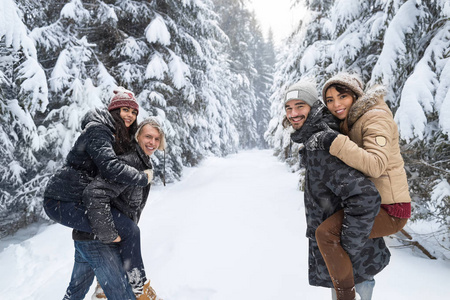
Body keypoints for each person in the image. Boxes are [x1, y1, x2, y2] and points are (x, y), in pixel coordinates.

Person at [306, 72, 411, 300]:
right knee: (347, 241)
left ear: (355, 95)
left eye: (342, 96)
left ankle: (346, 296)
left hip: (391, 208)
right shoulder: (353, 121)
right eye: (330, 100)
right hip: (370, 203)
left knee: (327, 234)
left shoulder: (375, 118)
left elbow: (375, 165)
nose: (336, 104)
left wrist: (334, 141)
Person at [283, 79, 391, 300]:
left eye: (300, 106)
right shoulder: (321, 136)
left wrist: (345, 247)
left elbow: (365, 196)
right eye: (288, 107)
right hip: (355, 259)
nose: (293, 113)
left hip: (351, 261)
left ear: (313, 107)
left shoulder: (321, 145)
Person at [43, 87, 153, 298]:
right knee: (128, 231)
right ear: (113, 111)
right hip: (61, 200)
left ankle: (107, 285)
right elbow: (110, 166)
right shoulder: (99, 130)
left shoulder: (115, 133)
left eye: (133, 111)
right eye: (124, 109)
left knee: (77, 287)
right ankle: (138, 288)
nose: (130, 115)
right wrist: (142, 177)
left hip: (79, 199)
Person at [64, 118, 166, 300]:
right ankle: (138, 288)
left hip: (85, 238)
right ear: (137, 137)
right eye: (148, 136)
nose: (152, 142)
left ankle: (136, 287)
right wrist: (109, 235)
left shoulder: (142, 162)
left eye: (157, 139)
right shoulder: (130, 162)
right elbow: (94, 193)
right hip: (98, 241)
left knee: (75, 293)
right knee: (122, 295)